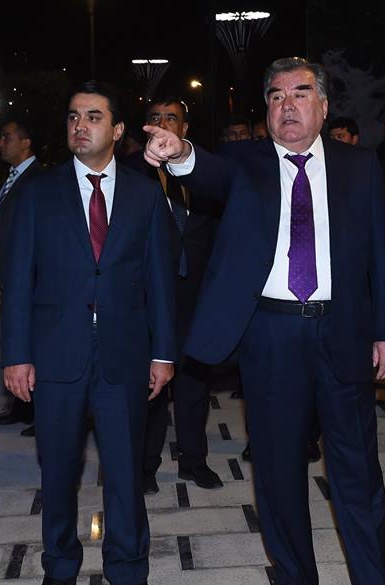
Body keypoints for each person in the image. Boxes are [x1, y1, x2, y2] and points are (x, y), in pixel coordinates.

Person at [143, 57, 385, 585]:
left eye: (301, 93)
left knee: (358, 470)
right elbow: (207, 172)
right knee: (276, 470)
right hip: (270, 334)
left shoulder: (358, 166)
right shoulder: (245, 163)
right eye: (276, 96)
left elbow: (383, 252)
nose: (288, 105)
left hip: (343, 332)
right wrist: (180, 153)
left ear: (323, 106)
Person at [1, 81, 176, 585]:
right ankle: (58, 569)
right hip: (56, 353)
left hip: (125, 353)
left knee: (125, 472)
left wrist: (164, 353)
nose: (81, 126)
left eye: (94, 116)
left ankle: (129, 575)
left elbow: (160, 280)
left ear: (117, 129)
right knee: (58, 470)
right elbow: (18, 279)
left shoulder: (146, 193)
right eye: (74, 117)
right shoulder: (39, 192)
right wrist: (16, 354)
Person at [141, 96, 224, 493]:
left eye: (171, 118)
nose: (162, 123)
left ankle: (194, 461)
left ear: (185, 128)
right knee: (151, 385)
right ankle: (145, 465)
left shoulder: (206, 172)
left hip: (198, 296)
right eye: (155, 117)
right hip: (150, 298)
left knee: (194, 384)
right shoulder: (133, 172)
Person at [0, 119, 44, 432]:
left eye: (6, 137)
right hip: (11, 279)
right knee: (17, 341)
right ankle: (22, 406)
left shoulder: (40, 180)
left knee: (37, 346)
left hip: (33, 282)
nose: (0, 143)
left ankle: (42, 412)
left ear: (25, 142)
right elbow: (1, 233)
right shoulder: (11, 179)